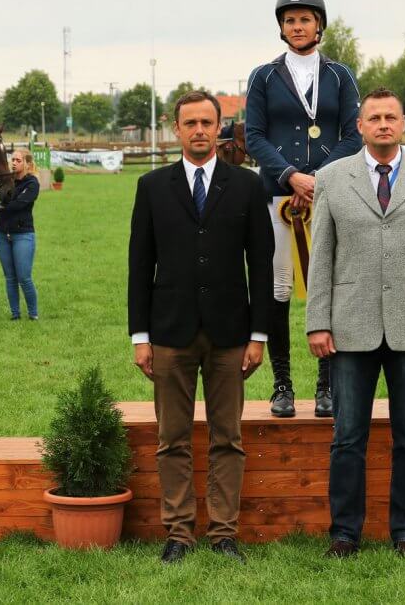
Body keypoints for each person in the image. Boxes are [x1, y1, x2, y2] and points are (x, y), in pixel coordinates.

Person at [305, 88, 405, 560]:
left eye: (391, 117)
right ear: (359, 126)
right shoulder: (332, 178)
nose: (383, 124)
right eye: (373, 117)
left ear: (404, 123)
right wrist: (318, 323)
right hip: (349, 328)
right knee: (347, 436)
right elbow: (322, 257)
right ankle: (344, 534)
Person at [127, 90, 273, 564]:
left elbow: (263, 264)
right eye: (189, 123)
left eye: (207, 123)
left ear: (220, 127)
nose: (199, 131)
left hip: (231, 334)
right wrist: (140, 337)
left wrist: (259, 335)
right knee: (172, 438)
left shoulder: (247, 187)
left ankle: (225, 532)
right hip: (169, 332)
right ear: (176, 129)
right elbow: (139, 265)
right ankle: (179, 533)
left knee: (227, 436)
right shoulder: (152, 186)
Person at [244, 0, 363, 418]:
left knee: (325, 287)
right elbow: (253, 135)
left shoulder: (340, 76)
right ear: (282, 27)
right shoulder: (263, 77)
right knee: (278, 290)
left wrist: (317, 177)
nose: (297, 26)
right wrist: (291, 175)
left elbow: (353, 133)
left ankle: (327, 386)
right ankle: (282, 385)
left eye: (305, 19)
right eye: (290, 20)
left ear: (319, 25)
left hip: (329, 196)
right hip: (278, 198)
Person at [0, 149, 40, 320]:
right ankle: (15, 314)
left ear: (27, 163)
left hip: (23, 235)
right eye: (12, 159)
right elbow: (2, 197)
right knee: (10, 277)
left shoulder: (32, 184)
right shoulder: (8, 182)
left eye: (18, 160)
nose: (13, 163)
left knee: (24, 277)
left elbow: (17, 205)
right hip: (1, 235)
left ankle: (33, 314)